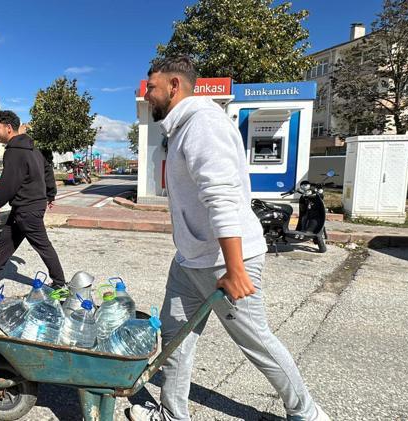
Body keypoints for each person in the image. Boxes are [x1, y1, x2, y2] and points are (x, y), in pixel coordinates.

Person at [127, 56, 329, 421]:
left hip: (224, 261)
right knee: (175, 337)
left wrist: (235, 269)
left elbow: (220, 198)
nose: (147, 95)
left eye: (152, 87)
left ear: (174, 86)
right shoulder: (181, 128)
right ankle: (173, 414)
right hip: (190, 259)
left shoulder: (202, 123)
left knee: (255, 341)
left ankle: (307, 413)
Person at [0, 110, 66, 293]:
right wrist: (51, 194)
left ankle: (60, 284)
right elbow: (47, 170)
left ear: (8, 128)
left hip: (27, 208)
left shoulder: (14, 151)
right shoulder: (32, 149)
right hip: (25, 206)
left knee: (42, 245)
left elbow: (9, 184)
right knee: (7, 240)